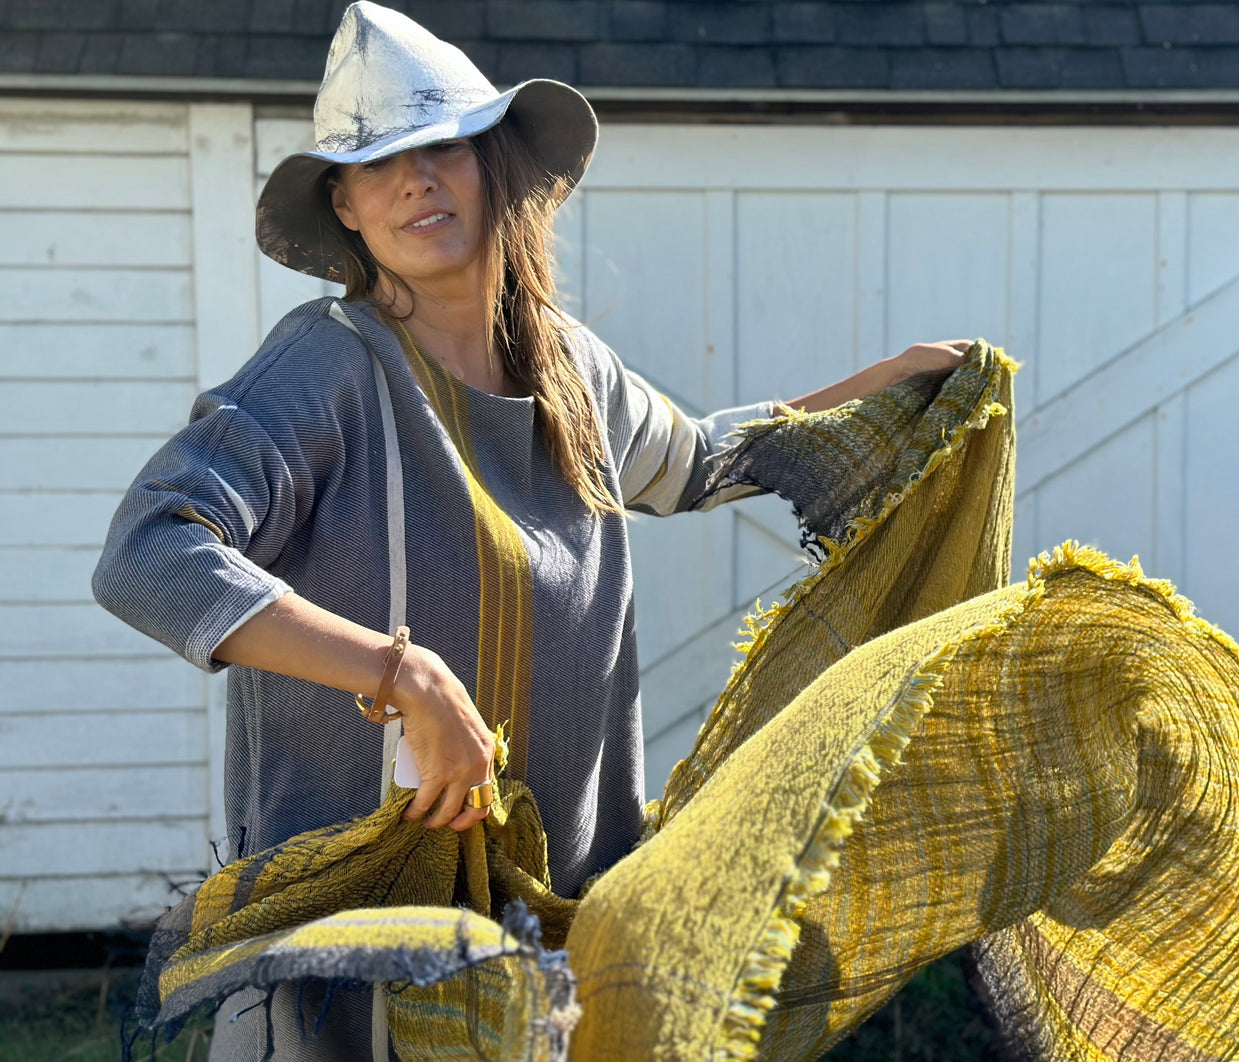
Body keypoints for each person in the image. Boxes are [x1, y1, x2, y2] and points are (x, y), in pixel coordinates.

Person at [93, 2, 970, 1057]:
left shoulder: (567, 365)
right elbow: (149, 551)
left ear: (495, 165)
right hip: (360, 944)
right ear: (346, 207)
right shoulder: (324, 367)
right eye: (379, 165)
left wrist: (887, 389)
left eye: (445, 148)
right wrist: (404, 676)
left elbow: (695, 463)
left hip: (551, 921)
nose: (416, 180)